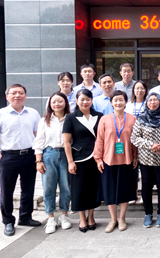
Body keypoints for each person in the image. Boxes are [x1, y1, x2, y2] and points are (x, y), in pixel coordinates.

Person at [0, 84, 42, 236]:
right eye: (13, 93)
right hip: (8, 156)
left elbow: (37, 134)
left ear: (25, 96)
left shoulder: (33, 113)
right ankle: (8, 221)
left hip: (29, 155)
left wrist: (38, 156)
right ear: (7, 96)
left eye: (21, 93)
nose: (17, 95)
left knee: (28, 189)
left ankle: (25, 217)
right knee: (6, 191)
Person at [94, 90, 138, 233]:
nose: (118, 103)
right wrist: (98, 158)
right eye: (115, 100)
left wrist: (135, 157)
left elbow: (135, 140)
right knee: (109, 190)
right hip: (108, 159)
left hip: (127, 160)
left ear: (126, 102)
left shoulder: (132, 119)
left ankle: (122, 218)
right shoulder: (105, 119)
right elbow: (99, 140)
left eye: (121, 100)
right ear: (111, 102)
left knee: (124, 190)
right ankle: (113, 219)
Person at [63, 89, 103, 232]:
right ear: (77, 101)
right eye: (82, 99)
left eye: (88, 99)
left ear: (92, 100)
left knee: (93, 188)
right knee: (79, 189)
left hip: (96, 157)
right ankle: (81, 218)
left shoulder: (99, 116)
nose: (85, 102)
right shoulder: (71, 118)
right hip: (78, 159)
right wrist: (70, 161)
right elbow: (67, 142)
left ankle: (91, 216)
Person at [33, 92, 72, 234]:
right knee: (48, 187)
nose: (57, 104)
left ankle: (64, 215)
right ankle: (50, 217)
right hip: (49, 155)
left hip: (66, 155)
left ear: (65, 103)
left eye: (60, 101)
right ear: (50, 104)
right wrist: (38, 161)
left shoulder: (71, 118)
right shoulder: (45, 120)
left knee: (66, 187)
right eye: (54, 101)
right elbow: (39, 141)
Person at [131, 92, 160, 228]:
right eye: (150, 100)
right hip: (146, 159)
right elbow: (134, 138)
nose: (153, 102)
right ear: (146, 103)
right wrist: (151, 145)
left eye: (155, 100)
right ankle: (148, 213)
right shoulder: (141, 119)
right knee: (146, 187)